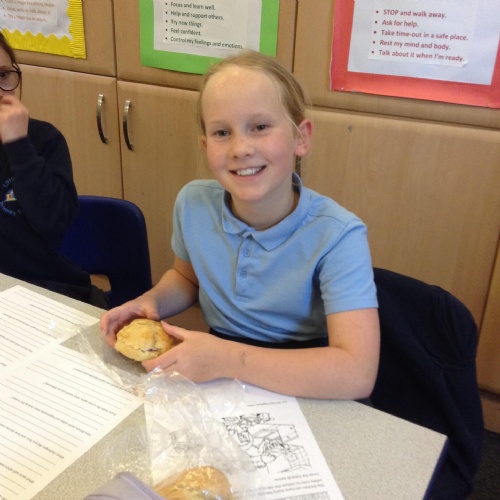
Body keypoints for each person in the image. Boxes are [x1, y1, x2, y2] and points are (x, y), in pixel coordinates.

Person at [101, 50, 380, 399]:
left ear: (301, 137)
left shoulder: (339, 235)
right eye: (222, 132)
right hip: (218, 375)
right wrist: (150, 301)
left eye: (260, 127)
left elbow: (356, 373)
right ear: (206, 145)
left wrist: (227, 359)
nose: (240, 148)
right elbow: (187, 279)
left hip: (303, 377)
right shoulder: (193, 203)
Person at [0, 31, 108, 309]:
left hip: (51, 292)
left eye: (3, 75)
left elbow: (54, 223)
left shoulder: (43, 140)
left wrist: (19, 146)